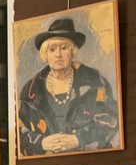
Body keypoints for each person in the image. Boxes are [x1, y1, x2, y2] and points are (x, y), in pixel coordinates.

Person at [17, 17, 119, 156]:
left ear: (73, 52)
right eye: (52, 49)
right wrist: (41, 143)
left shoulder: (94, 81)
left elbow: (112, 119)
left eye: (64, 48)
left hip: (91, 160)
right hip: (46, 163)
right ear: (45, 54)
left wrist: (78, 139)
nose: (58, 55)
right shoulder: (31, 89)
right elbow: (18, 134)